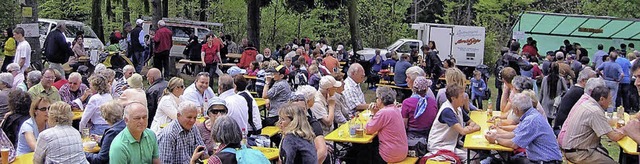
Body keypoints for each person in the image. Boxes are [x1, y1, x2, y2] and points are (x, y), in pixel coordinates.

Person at [484, 93, 563, 163]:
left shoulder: (531, 120)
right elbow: (515, 134)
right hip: (545, 158)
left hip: (546, 161)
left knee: (507, 160)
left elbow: (514, 144)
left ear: (516, 110)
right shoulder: (531, 115)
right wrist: (496, 135)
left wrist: (495, 139)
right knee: (509, 159)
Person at [560, 85, 625, 163]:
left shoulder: (586, 103)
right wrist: (627, 130)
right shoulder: (595, 111)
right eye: (609, 99)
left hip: (571, 149)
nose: (610, 102)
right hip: (579, 153)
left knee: (605, 153)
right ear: (602, 99)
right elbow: (614, 137)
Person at [426, 84, 480, 162]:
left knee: (475, 155)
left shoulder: (458, 108)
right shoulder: (447, 111)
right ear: (453, 98)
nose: (464, 98)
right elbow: (463, 131)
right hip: (440, 145)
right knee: (472, 158)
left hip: (452, 143)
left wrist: (470, 127)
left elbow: (470, 122)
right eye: (461, 96)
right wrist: (474, 128)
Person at [364, 87, 408, 163]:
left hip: (390, 155)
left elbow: (368, 129)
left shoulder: (383, 112)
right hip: (402, 152)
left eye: (377, 98)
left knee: (364, 152)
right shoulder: (396, 109)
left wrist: (372, 114)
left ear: (380, 100)